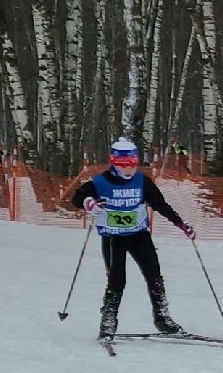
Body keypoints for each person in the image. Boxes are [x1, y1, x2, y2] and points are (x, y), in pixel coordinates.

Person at [70, 138, 196, 340]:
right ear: (114, 162)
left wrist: (181, 224)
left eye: (132, 164)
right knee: (117, 280)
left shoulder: (141, 181)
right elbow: (77, 198)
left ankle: (163, 319)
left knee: (154, 275)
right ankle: (108, 323)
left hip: (139, 235)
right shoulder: (100, 182)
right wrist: (89, 203)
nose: (128, 169)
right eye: (123, 164)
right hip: (113, 238)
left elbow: (160, 205)